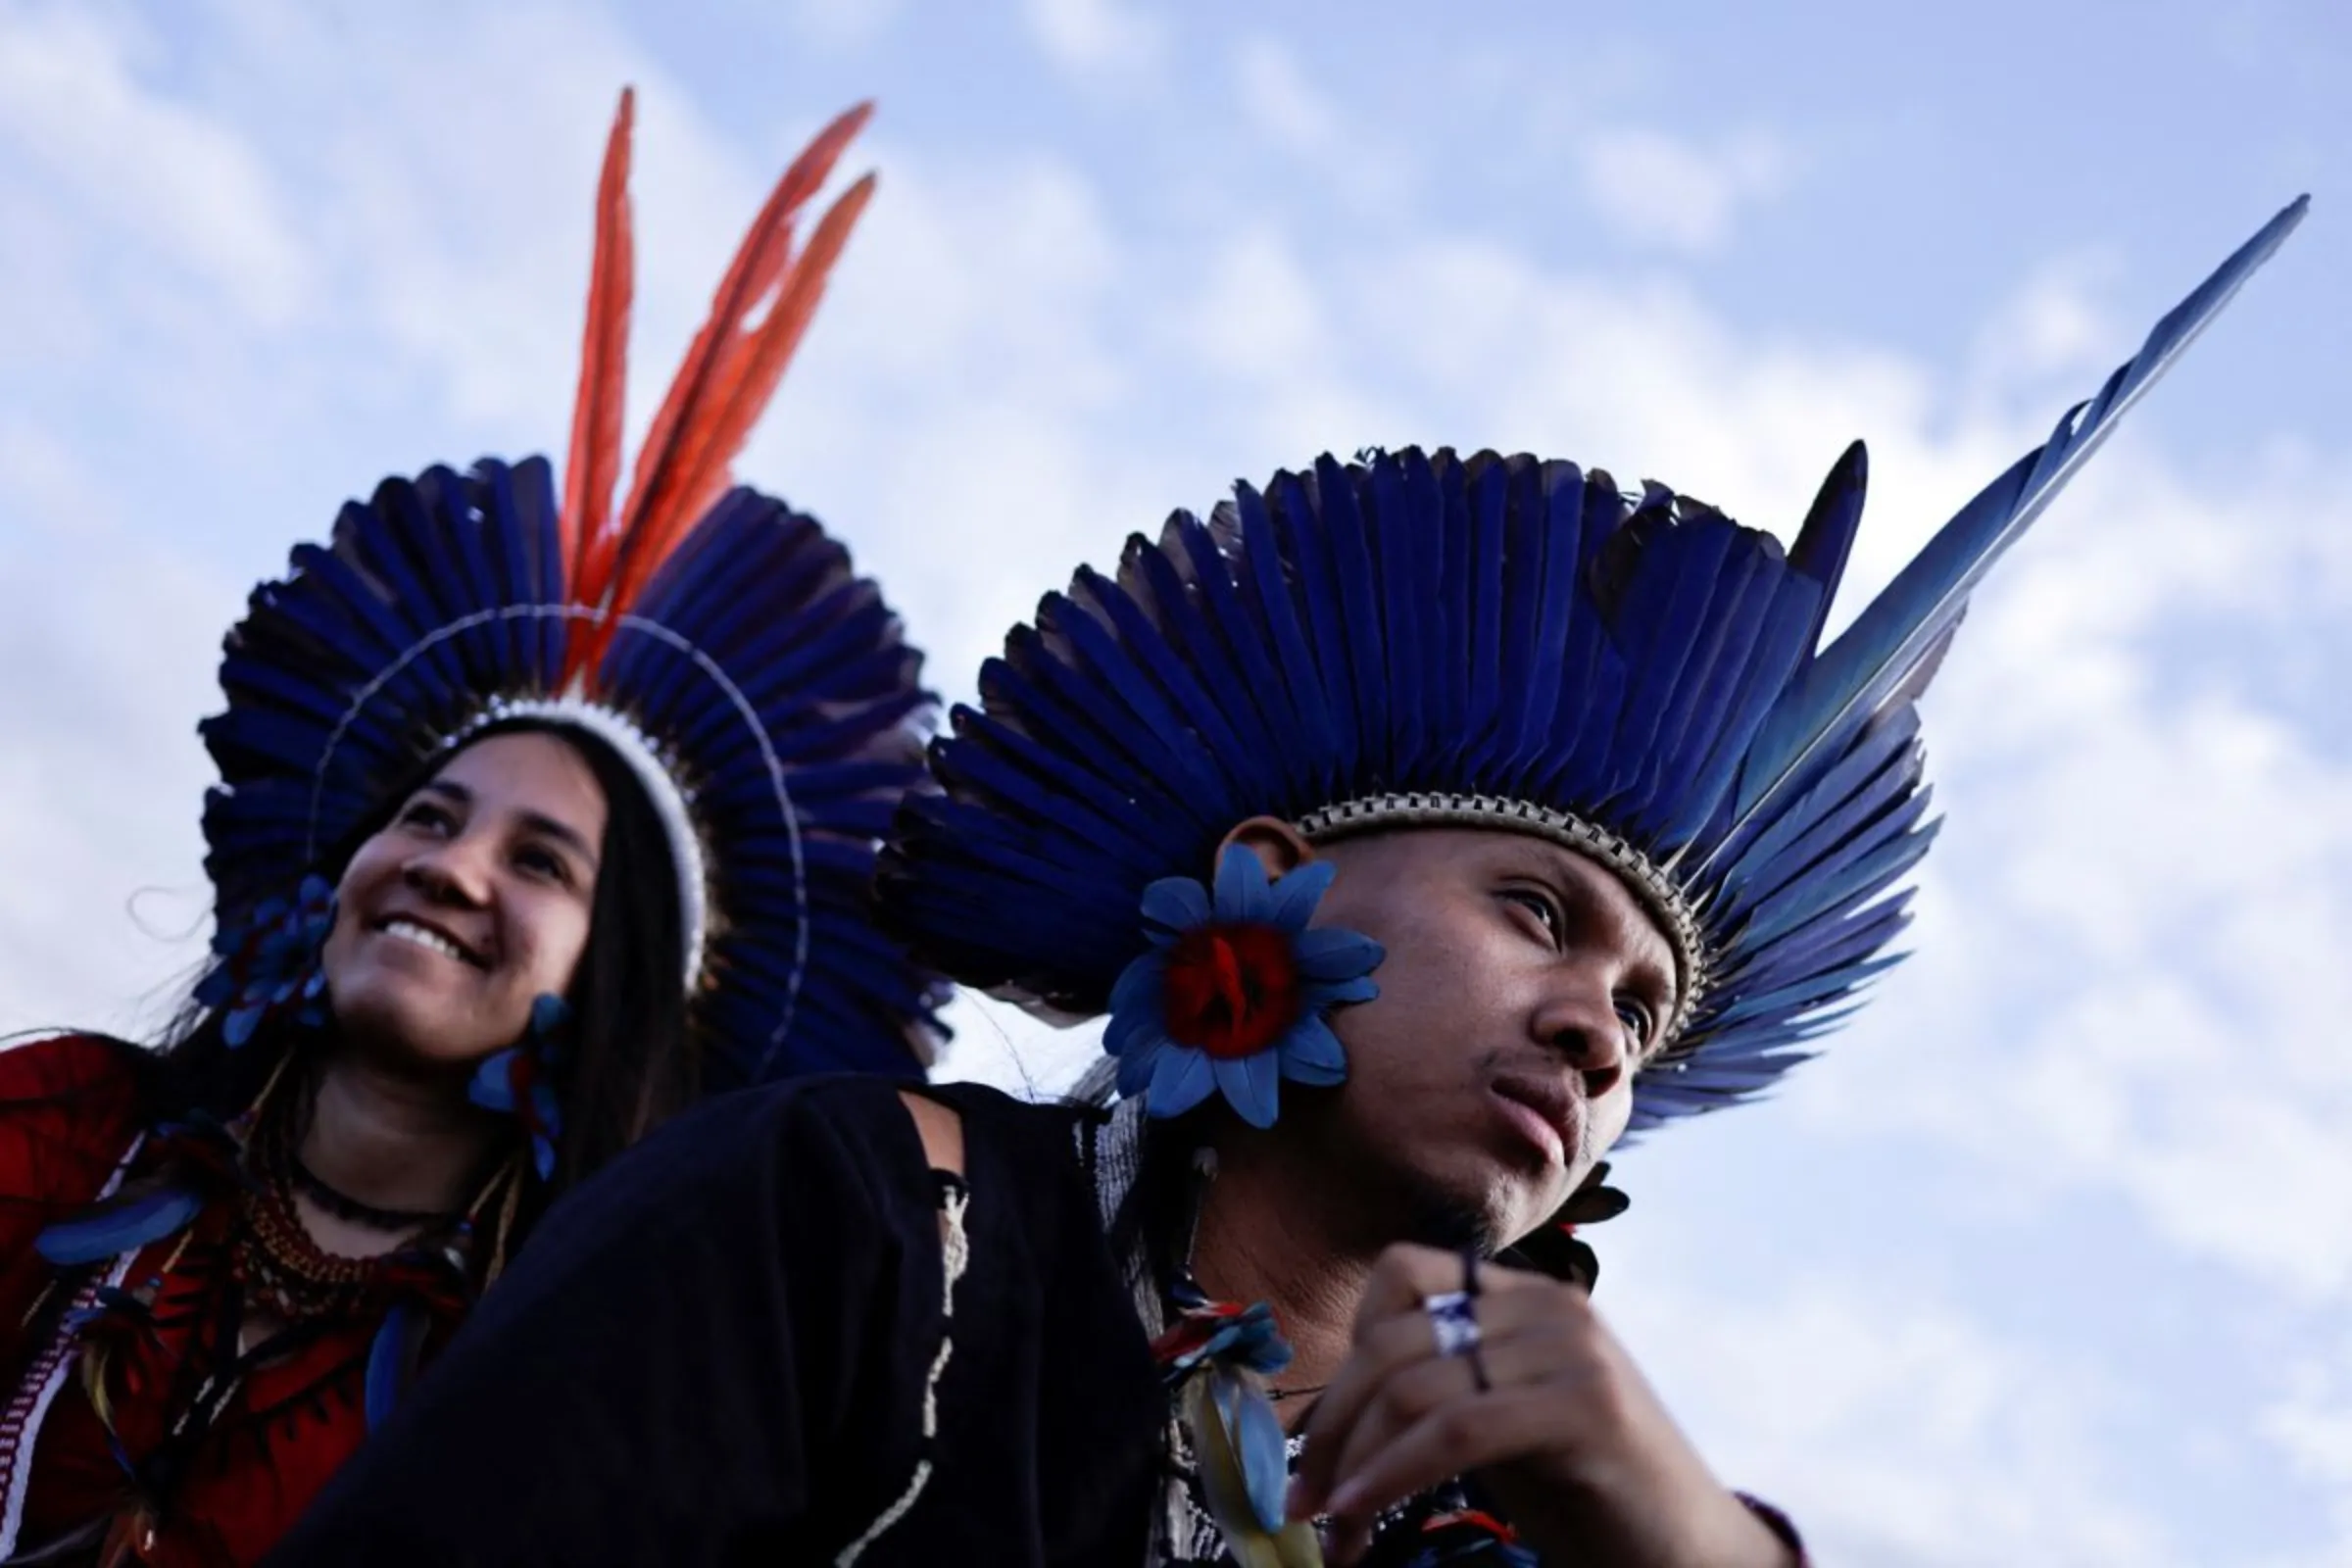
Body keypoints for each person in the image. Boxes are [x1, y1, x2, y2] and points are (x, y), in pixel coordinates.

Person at [265, 201, 2304, 1566]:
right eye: (1541, 911)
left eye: (1648, 1010)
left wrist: (1692, 1534)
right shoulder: (854, 1216)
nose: (1605, 1021)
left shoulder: (1490, 1523)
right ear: (1257, 884)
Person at [0, 88, 941, 1567]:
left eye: (541, 863)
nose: (449, 863)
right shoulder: (59, 1134)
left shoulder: (618, 1365)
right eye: (430, 816)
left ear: (630, 978)